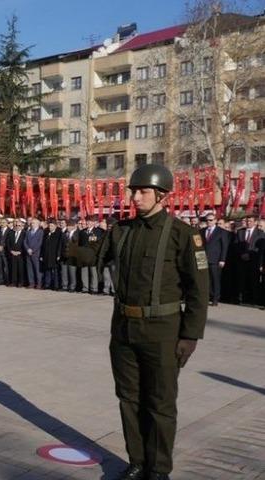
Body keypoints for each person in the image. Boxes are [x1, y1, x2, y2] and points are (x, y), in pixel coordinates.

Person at [89, 164, 208, 480]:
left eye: (142, 191)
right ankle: (137, 461)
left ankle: (159, 469)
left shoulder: (183, 234)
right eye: (133, 191)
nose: (135, 197)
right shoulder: (121, 230)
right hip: (125, 329)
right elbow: (91, 257)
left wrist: (190, 335)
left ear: (162, 196)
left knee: (160, 402)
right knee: (128, 399)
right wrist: (80, 244)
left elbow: (199, 289)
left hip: (163, 331)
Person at [200, 214, 228, 307]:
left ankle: (215, 298)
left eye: (211, 220)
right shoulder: (202, 231)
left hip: (215, 259)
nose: (209, 222)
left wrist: (222, 259)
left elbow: (224, 246)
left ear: (215, 220)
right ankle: (206, 297)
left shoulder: (221, 232)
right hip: (203, 259)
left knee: (215, 279)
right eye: (207, 220)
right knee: (205, 279)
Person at [236, 215, 263, 305]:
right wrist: (242, 254)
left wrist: (249, 255)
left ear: (255, 222)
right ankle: (243, 298)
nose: (248, 223)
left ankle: (254, 299)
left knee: (254, 280)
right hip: (242, 260)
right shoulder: (240, 232)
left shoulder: (260, 233)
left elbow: (260, 247)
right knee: (242, 280)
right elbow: (236, 245)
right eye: (247, 221)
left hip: (254, 261)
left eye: (250, 221)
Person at [79, 215, 105, 294]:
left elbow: (99, 244)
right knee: (84, 272)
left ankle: (94, 288)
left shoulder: (99, 232)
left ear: (94, 223)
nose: (87, 222)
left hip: (93, 255)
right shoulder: (82, 232)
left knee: (93, 272)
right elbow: (80, 244)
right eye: (87, 221)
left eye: (89, 221)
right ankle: (85, 288)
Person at [41, 219, 64, 290]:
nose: (50, 227)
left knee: (55, 271)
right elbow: (43, 245)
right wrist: (41, 255)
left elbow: (60, 245)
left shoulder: (59, 233)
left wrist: (58, 255)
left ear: (55, 226)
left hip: (54, 255)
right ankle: (47, 284)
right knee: (47, 270)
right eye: (49, 225)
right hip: (47, 255)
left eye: (52, 226)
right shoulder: (46, 232)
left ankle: (56, 285)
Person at [25, 218, 44, 289]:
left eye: (33, 223)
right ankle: (31, 283)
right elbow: (25, 241)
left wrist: (33, 250)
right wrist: (27, 249)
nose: (31, 224)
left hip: (36, 253)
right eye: (31, 223)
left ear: (37, 224)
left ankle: (39, 283)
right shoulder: (28, 232)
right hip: (28, 253)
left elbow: (40, 243)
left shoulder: (41, 232)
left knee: (37, 269)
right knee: (30, 269)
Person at [7, 219, 26, 287]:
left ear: (22, 226)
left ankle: (20, 282)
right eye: (16, 225)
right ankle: (13, 282)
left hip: (20, 254)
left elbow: (25, 244)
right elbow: (8, 243)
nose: (17, 226)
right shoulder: (11, 233)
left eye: (19, 225)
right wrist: (11, 251)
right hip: (12, 253)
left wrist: (20, 252)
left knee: (20, 269)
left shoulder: (24, 233)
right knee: (13, 268)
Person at [0, 218, 12, 285]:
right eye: (1, 222)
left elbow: (8, 240)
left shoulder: (10, 231)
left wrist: (3, 246)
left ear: (7, 223)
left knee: (6, 267)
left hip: (5, 251)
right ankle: (0, 280)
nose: (2, 224)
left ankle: (7, 280)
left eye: (4, 222)